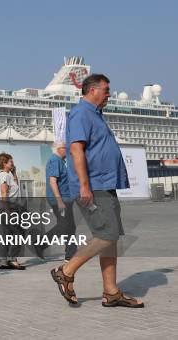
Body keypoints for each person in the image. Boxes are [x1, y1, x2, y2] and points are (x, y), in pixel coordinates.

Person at [50, 74, 144, 307]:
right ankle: (66, 270)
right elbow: (76, 150)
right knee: (107, 234)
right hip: (93, 186)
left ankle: (111, 292)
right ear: (92, 90)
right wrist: (84, 185)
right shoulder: (82, 113)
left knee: (110, 238)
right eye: (106, 90)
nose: (109, 94)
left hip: (105, 185)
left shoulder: (95, 115)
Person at [0, 153, 26, 270]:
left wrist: (14, 172)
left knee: (7, 234)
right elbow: (4, 193)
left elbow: (15, 186)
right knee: (19, 233)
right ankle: (12, 259)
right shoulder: (4, 176)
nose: (13, 163)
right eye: (11, 162)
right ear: (4, 163)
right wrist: (7, 210)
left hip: (7, 207)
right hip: (7, 208)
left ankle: (3, 261)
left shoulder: (9, 175)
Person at [44, 142, 77, 262]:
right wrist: (59, 201)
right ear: (59, 149)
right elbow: (53, 182)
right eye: (65, 148)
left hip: (66, 198)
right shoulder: (55, 160)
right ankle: (39, 244)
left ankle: (71, 254)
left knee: (70, 226)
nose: (67, 150)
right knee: (64, 226)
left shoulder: (61, 161)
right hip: (60, 199)